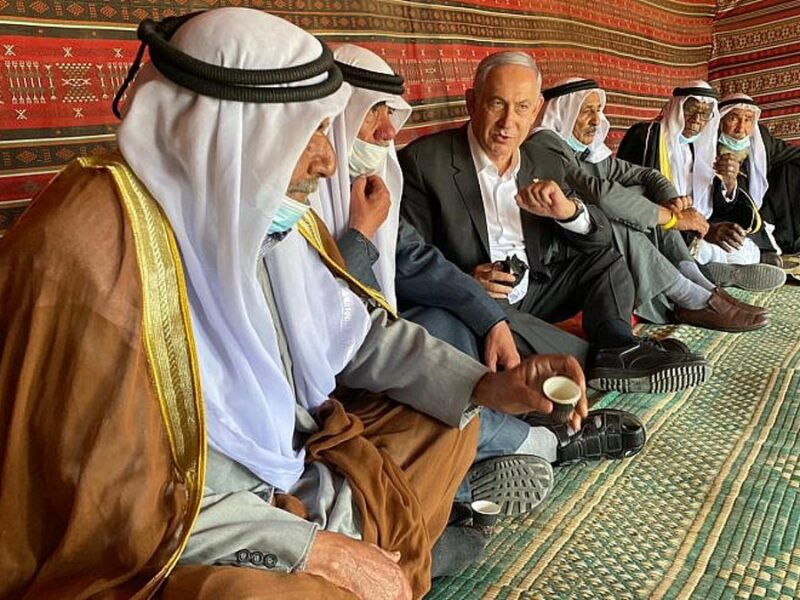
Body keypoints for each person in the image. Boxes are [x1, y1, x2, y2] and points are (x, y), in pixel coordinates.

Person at [0, 9, 597, 599]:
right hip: (185, 525)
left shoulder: (259, 209)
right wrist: (309, 546)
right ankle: (382, 552)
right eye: (307, 132)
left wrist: (490, 387)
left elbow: (356, 335)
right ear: (231, 129)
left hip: (293, 462)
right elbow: (113, 507)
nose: (328, 159)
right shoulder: (88, 254)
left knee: (447, 421)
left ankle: (384, 550)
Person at [311, 45, 646, 524]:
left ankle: (613, 354)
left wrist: (567, 215)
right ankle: (522, 447)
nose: (389, 132)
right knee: (446, 332)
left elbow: (409, 257)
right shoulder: (415, 163)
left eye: (524, 108)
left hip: (524, 296)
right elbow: (338, 315)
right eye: (372, 115)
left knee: (601, 270)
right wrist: (477, 300)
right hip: (357, 356)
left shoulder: (372, 174)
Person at [399, 51, 709, 394]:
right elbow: (411, 258)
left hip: (538, 285)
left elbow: (600, 240)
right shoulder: (425, 161)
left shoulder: (543, 156)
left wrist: (569, 214)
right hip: (481, 296)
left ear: (535, 112)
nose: (507, 123)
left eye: (521, 108)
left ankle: (618, 343)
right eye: (496, 104)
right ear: (472, 103)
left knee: (605, 261)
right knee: (478, 321)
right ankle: (602, 363)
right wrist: (469, 281)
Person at [524, 77, 766, 331]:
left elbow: (647, 175)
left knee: (644, 199)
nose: (597, 120)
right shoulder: (545, 145)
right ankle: (690, 297)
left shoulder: (589, 151)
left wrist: (671, 202)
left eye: (598, 111)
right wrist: (672, 218)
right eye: (586, 111)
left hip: (619, 234)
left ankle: (701, 286)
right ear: (563, 111)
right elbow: (600, 194)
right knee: (620, 221)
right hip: (559, 244)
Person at [617, 81, 785, 291]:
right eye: (691, 111)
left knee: (743, 246)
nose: (697, 120)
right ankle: (706, 269)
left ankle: (714, 269)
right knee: (687, 249)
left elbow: (717, 206)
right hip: (663, 225)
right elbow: (629, 192)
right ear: (677, 108)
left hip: (702, 227)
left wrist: (729, 182)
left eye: (705, 114)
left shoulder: (704, 145)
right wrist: (691, 226)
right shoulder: (647, 136)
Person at [716, 93, 800, 265]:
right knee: (727, 250)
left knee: (791, 170)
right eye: (734, 118)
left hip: (763, 210)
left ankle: (786, 244)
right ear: (720, 120)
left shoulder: (760, 139)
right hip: (724, 216)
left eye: (747, 120)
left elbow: (791, 153)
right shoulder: (707, 145)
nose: (741, 128)